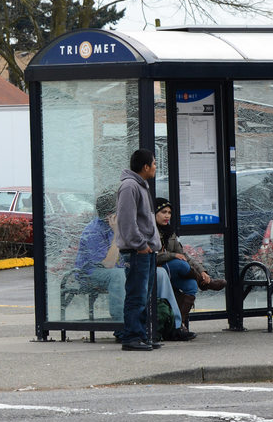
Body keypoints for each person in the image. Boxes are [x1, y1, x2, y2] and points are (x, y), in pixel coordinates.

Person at [73, 193, 193, 340]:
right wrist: (117, 232)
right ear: (110, 215)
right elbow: (109, 264)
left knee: (159, 273)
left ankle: (172, 325)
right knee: (117, 275)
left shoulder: (125, 224)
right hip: (92, 273)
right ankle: (123, 326)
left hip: (121, 269)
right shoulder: (93, 231)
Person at [154, 197, 227, 330]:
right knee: (179, 264)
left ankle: (178, 325)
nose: (167, 216)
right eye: (163, 212)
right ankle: (205, 283)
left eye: (169, 213)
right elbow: (152, 256)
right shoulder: (150, 230)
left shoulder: (169, 231)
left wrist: (202, 271)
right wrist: (173, 255)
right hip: (155, 269)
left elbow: (184, 255)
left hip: (170, 270)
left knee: (190, 284)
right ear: (154, 213)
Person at [114, 148, 161, 351]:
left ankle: (141, 335)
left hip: (147, 251)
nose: (156, 167)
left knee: (144, 294)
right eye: (154, 163)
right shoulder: (129, 187)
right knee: (136, 294)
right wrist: (141, 246)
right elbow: (126, 221)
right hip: (137, 252)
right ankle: (132, 337)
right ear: (145, 167)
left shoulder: (142, 185)